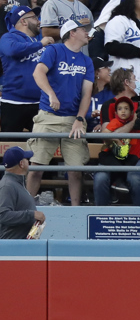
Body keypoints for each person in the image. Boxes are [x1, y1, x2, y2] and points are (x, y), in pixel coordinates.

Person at [26, 17, 93, 206]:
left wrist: (80, 118)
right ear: (72, 33)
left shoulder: (87, 61)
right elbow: (38, 72)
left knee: (75, 170)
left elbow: (87, 93)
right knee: (36, 167)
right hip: (48, 116)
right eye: (83, 29)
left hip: (73, 119)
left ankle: (75, 211)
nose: (87, 32)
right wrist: (51, 94)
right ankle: (26, 209)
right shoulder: (54, 50)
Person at [0, 6, 51, 133]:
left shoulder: (38, 42)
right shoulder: (8, 37)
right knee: (10, 143)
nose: (39, 21)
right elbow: (12, 50)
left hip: (39, 103)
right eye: (34, 18)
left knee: (41, 142)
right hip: (13, 103)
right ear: (23, 21)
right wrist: (41, 44)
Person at [93, 95, 140, 206]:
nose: (123, 111)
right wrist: (118, 139)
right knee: (100, 178)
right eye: (120, 109)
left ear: (132, 112)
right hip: (112, 158)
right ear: (115, 112)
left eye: (126, 108)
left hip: (133, 159)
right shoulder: (115, 122)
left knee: (135, 179)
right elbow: (105, 136)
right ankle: (101, 214)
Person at [0, 147, 44, 239]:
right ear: (21, 164)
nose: (28, 162)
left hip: (19, 244)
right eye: (26, 159)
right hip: (12, 245)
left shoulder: (15, 183)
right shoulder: (8, 186)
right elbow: (3, 215)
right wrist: (32, 215)